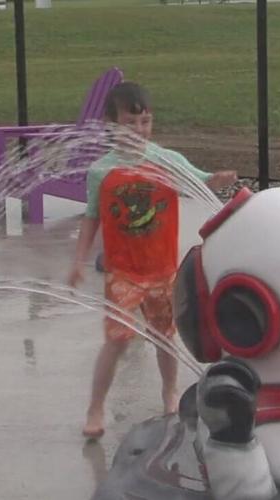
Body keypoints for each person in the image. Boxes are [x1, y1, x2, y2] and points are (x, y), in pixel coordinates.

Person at [67, 82, 238, 438]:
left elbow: (201, 181)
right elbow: (92, 217)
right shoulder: (102, 171)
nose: (139, 131)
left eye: (145, 123)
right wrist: (78, 260)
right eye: (130, 123)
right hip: (122, 274)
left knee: (164, 338)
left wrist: (216, 180)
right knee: (116, 340)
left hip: (162, 272)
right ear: (112, 125)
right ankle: (95, 406)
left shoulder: (166, 161)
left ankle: (169, 392)